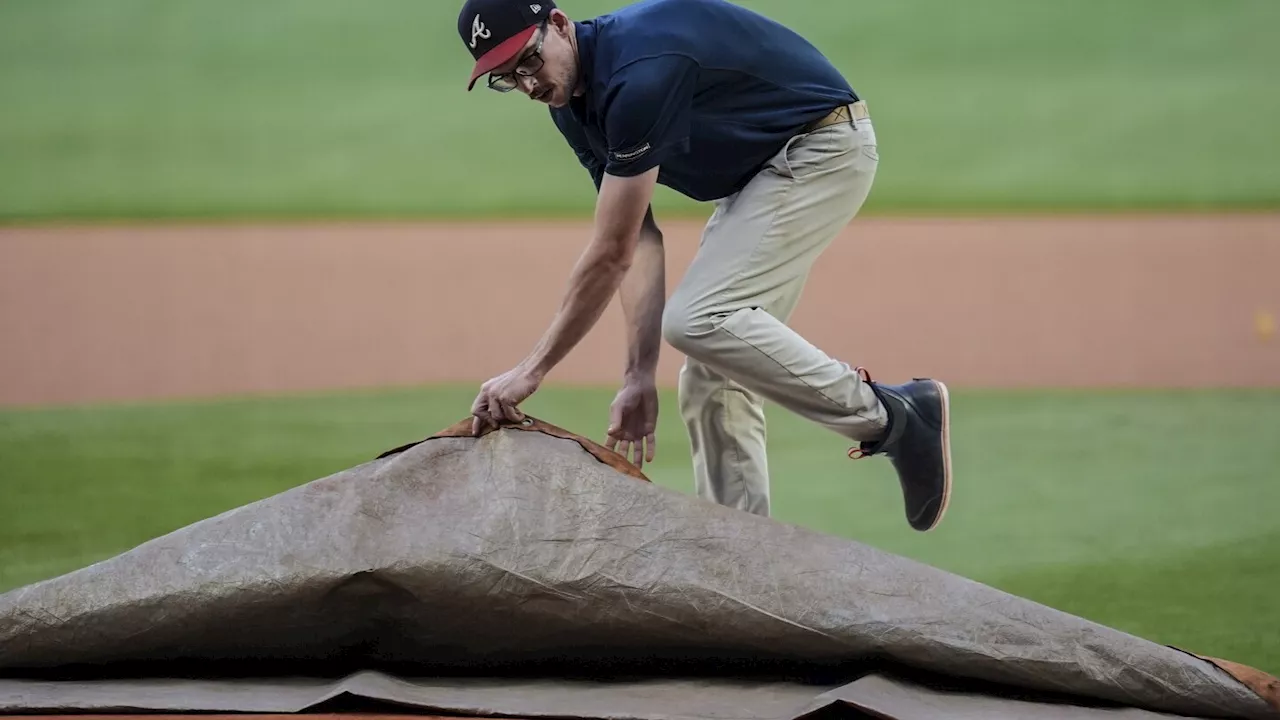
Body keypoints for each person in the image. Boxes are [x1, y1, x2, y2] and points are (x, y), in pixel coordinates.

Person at [456, 0, 954, 531]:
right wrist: (637, 376)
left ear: (558, 25)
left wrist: (530, 371)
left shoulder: (637, 74)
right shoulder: (572, 104)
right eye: (506, 78)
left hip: (821, 150)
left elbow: (610, 253)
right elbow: (640, 239)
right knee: (710, 381)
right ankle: (743, 562)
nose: (528, 84)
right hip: (761, 177)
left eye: (529, 61)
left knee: (698, 319)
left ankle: (894, 417)